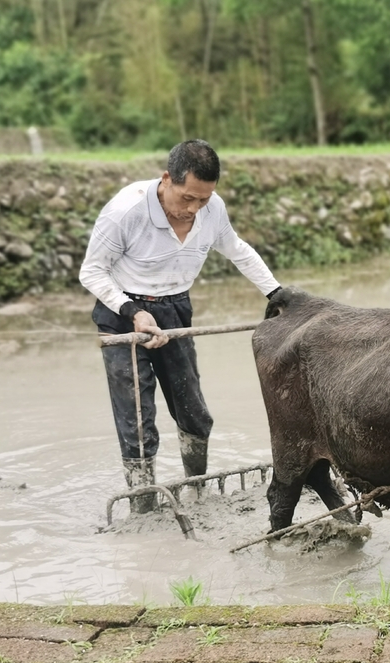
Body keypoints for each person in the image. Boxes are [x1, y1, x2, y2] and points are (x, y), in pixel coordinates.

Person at [79, 139, 281, 512]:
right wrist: (133, 312)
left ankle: (198, 490)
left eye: (203, 199)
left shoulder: (211, 209)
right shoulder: (126, 210)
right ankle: (142, 505)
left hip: (175, 308)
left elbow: (237, 249)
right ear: (167, 179)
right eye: (187, 198)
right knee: (136, 416)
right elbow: (91, 271)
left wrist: (277, 294)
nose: (194, 208)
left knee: (193, 409)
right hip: (122, 311)